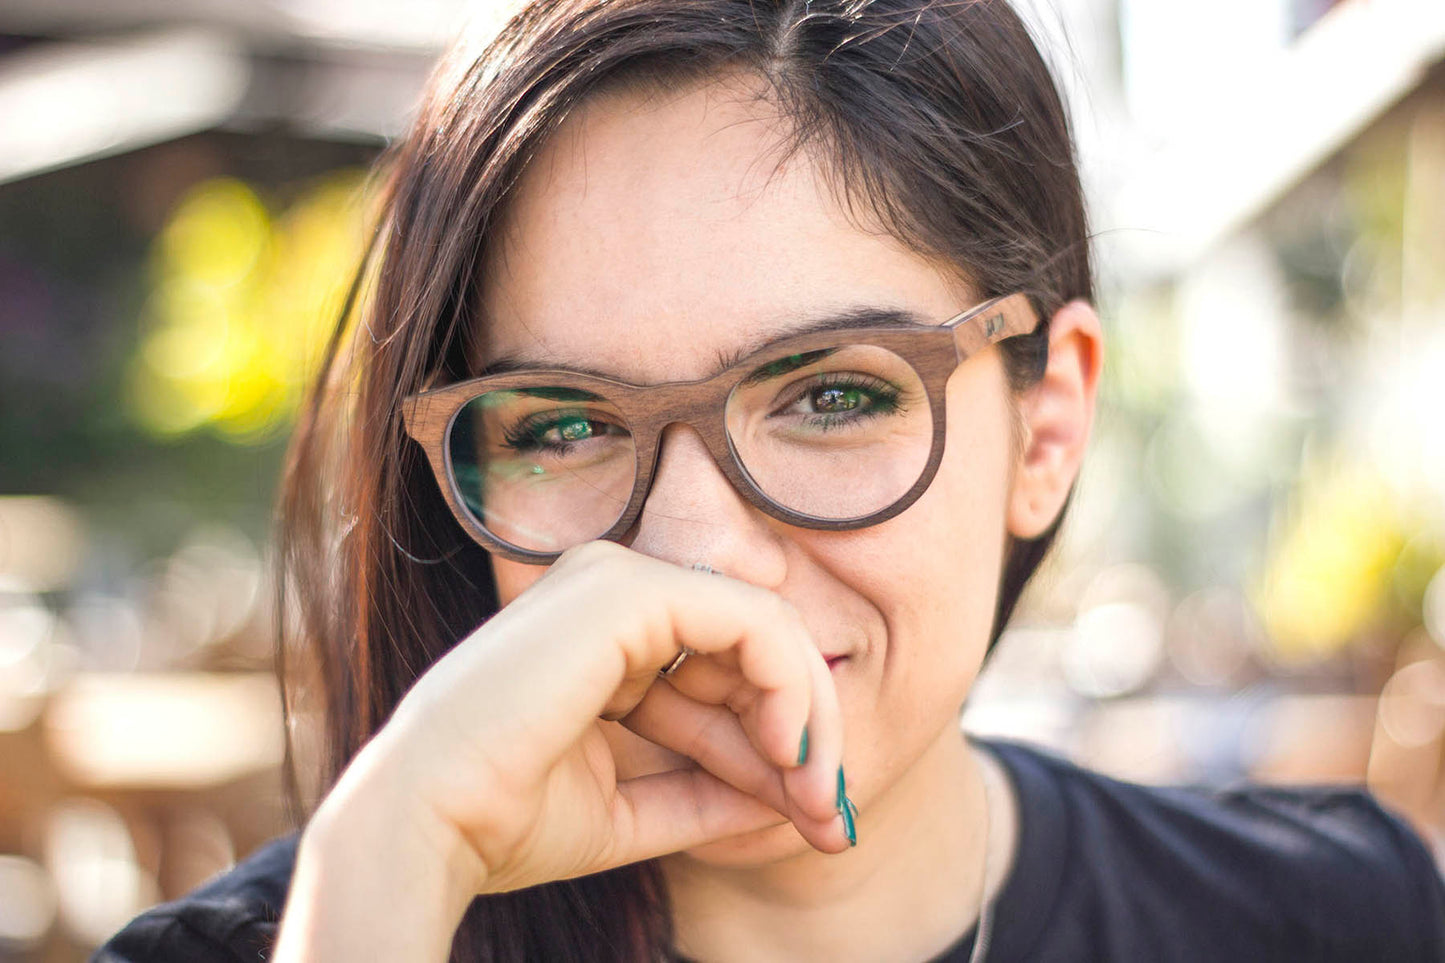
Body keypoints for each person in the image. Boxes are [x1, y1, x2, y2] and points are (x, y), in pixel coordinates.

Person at [95, 1, 1445, 961]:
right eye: (564, 426)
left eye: (835, 395)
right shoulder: (323, 930)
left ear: (1046, 430)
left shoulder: (1335, 924)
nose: (694, 553)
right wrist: (390, 873)